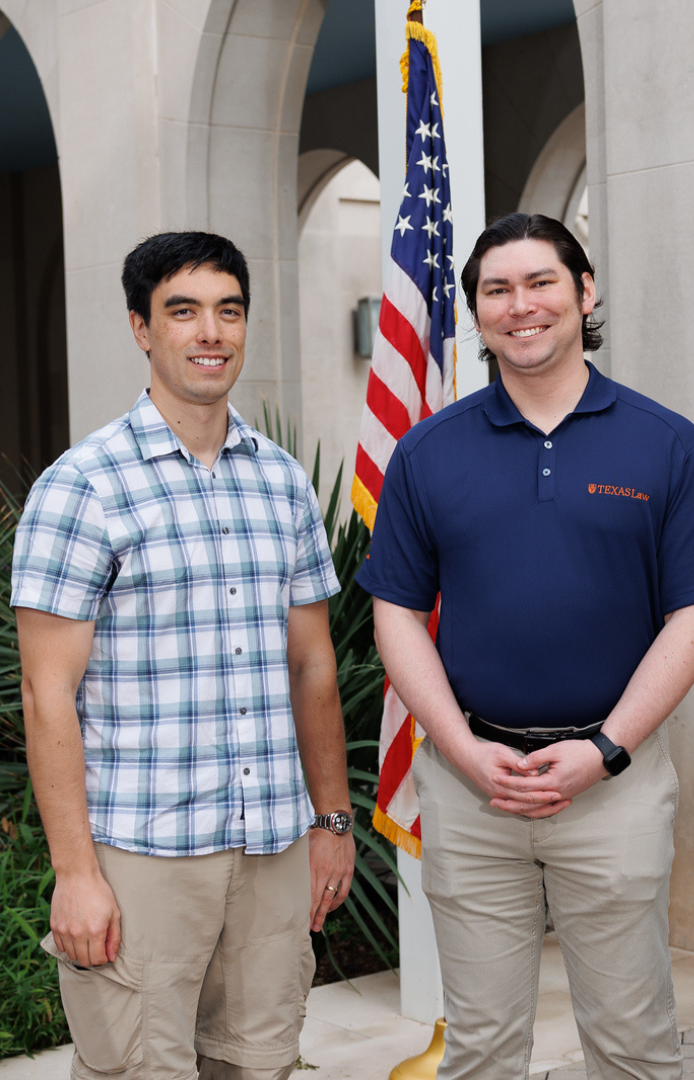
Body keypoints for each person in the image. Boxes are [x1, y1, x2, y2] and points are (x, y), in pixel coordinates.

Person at [358, 212, 694, 1079]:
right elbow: (396, 613)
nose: (520, 305)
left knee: (632, 1045)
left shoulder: (667, 444)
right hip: (471, 787)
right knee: (482, 1048)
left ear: (584, 292)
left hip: (614, 783)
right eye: (497, 289)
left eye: (540, 283)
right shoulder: (427, 451)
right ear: (476, 312)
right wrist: (459, 747)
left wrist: (604, 750)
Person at [12, 231, 355, 1080]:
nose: (212, 332)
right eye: (184, 311)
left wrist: (333, 821)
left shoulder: (281, 481)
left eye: (229, 310)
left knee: (261, 1065)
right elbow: (46, 695)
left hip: (273, 847)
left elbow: (312, 666)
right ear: (141, 327)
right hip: (142, 857)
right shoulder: (82, 486)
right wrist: (75, 875)